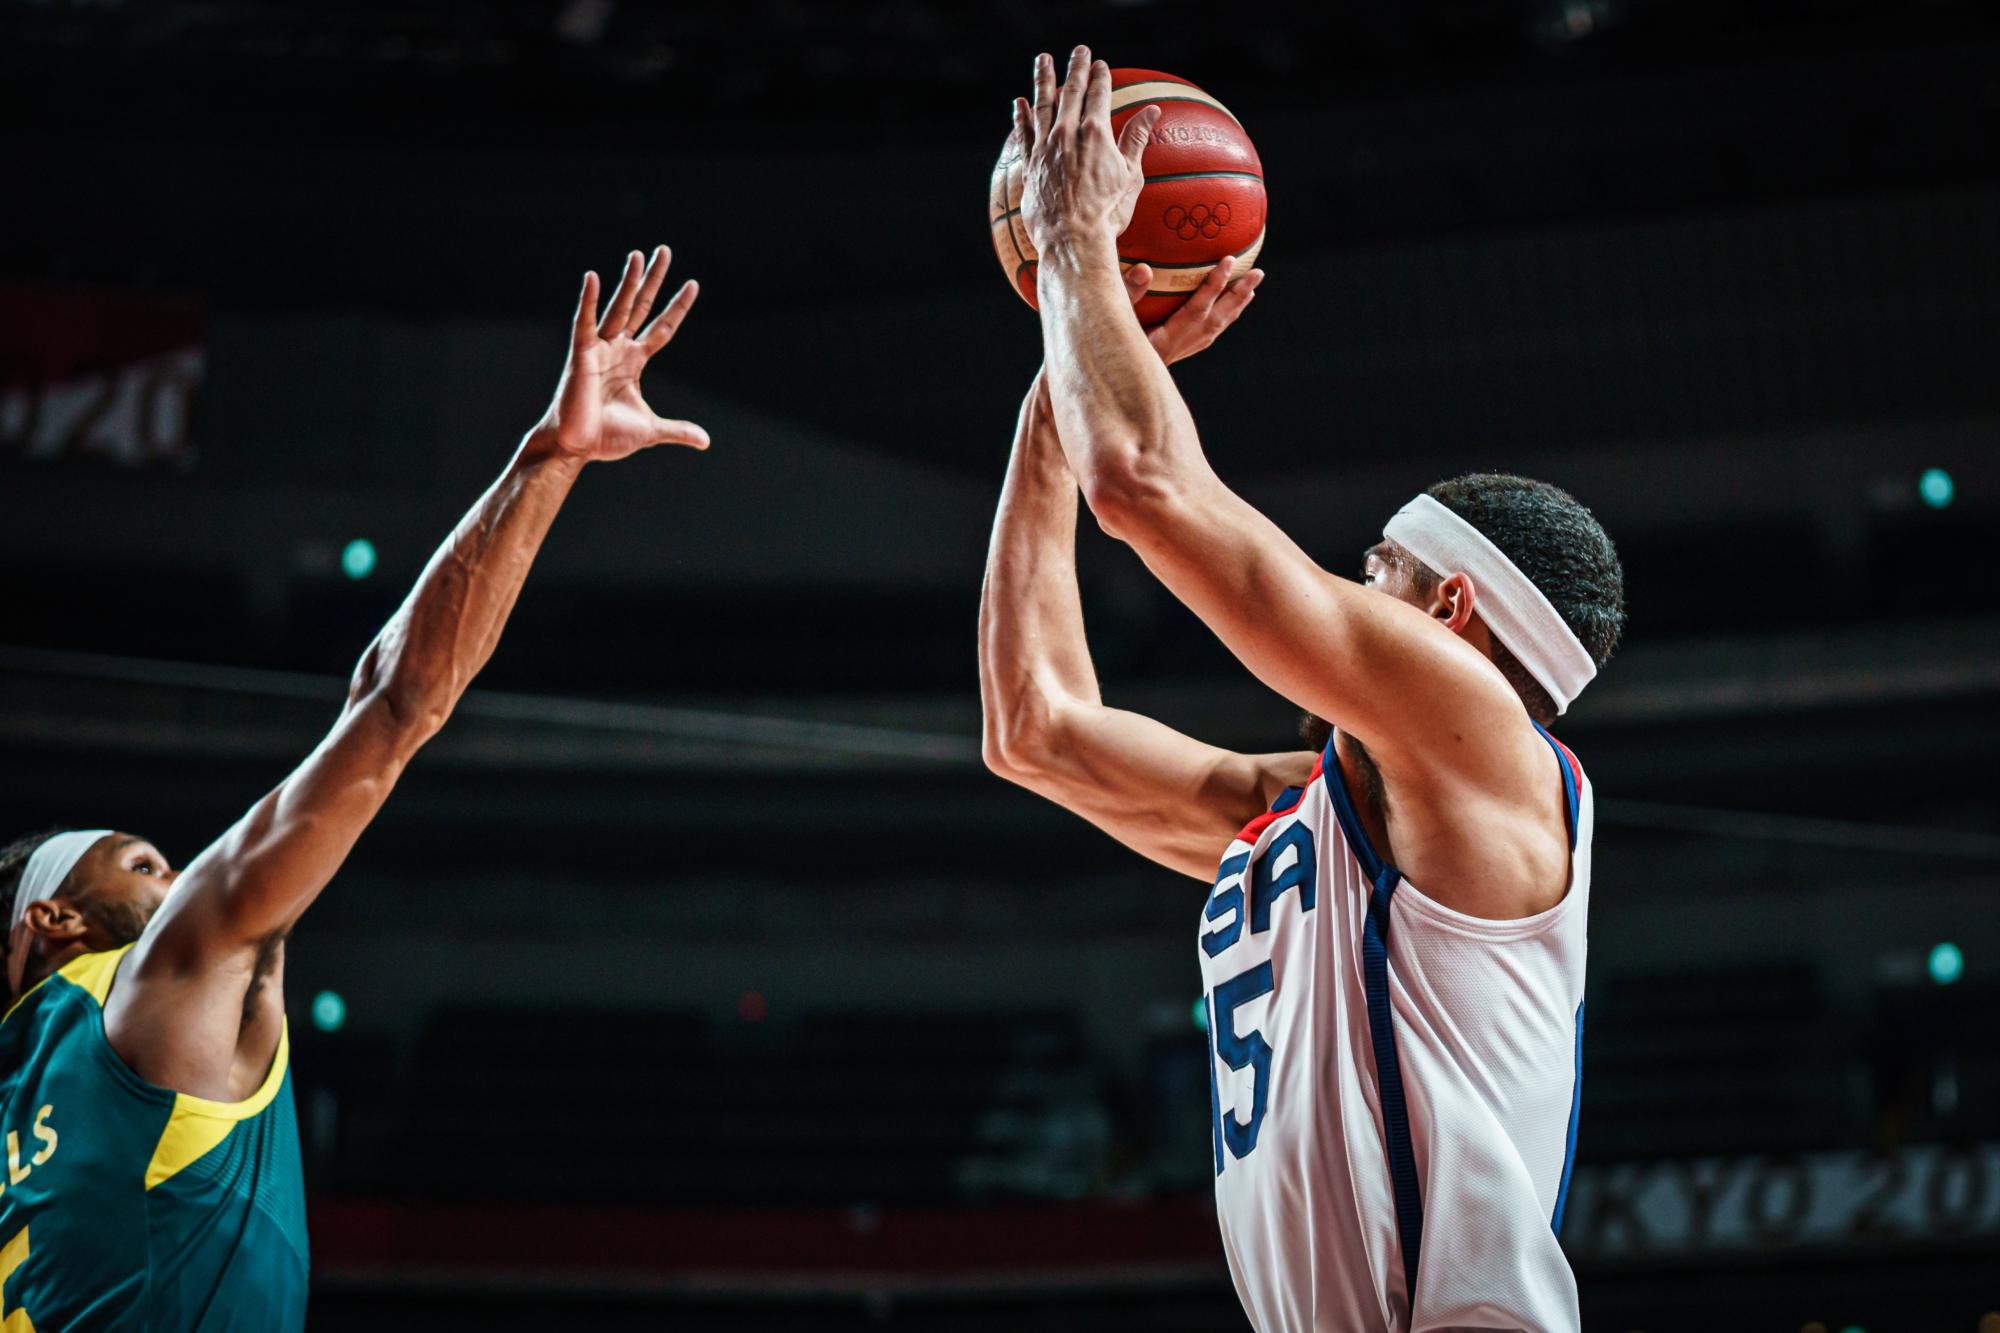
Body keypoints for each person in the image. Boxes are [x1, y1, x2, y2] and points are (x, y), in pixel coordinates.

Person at [979, 48, 1626, 1332]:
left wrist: (1078, 253)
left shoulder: (1486, 742)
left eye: (1373, 570)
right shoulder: (1329, 825)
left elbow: (1149, 492)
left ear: (1448, 615)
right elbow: (1035, 731)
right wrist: (1049, 412)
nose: (1342, 581)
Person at [0, 245, 709, 1331]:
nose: (181, 870)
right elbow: (390, 706)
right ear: (55, 918)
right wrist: (548, 459)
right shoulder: (157, 978)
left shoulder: (20, 1111)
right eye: (143, 864)